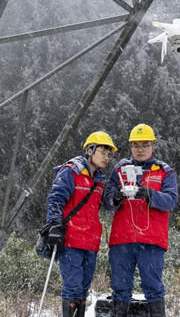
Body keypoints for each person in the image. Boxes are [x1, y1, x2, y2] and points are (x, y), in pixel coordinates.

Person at [103, 124, 178, 317]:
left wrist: (150, 194)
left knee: (153, 288)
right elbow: (107, 202)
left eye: (145, 144)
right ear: (130, 147)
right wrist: (116, 197)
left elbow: (171, 201)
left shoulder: (164, 171)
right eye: (136, 145)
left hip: (151, 240)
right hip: (122, 240)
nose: (140, 149)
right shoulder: (119, 169)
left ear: (154, 145)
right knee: (120, 288)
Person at [44, 131, 117, 317]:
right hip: (71, 241)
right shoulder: (71, 171)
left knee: (83, 290)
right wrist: (53, 225)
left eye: (110, 154)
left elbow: (105, 206)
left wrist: (118, 196)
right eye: (103, 152)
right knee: (73, 288)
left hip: (90, 242)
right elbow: (56, 199)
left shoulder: (100, 180)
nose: (107, 157)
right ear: (90, 150)